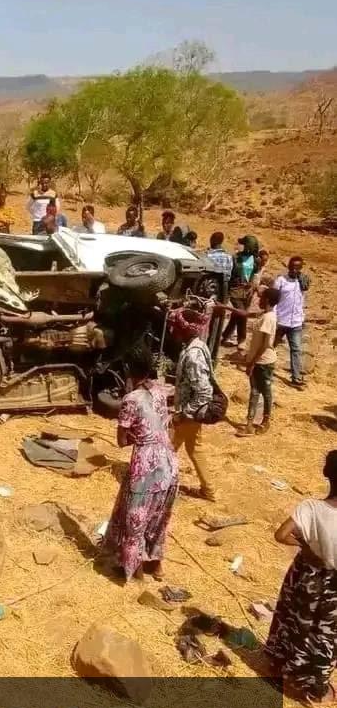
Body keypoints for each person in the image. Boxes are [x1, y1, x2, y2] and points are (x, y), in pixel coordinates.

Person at [265, 451, 337, 705]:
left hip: (305, 576)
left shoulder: (311, 508)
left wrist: (305, 546)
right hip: (333, 588)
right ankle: (315, 687)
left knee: (292, 618)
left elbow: (281, 534)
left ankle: (278, 663)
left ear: (326, 474)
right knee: (324, 634)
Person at [102, 346, 179, 581]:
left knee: (135, 518)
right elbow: (162, 425)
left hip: (145, 466)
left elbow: (121, 441)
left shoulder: (131, 400)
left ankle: (133, 570)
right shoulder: (160, 392)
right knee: (158, 516)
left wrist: (138, 437)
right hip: (169, 461)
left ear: (127, 368)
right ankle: (155, 564)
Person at [172, 307, 218, 502]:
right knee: (194, 448)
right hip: (192, 411)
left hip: (189, 413)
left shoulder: (193, 355)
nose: (173, 331)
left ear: (184, 330)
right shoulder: (199, 345)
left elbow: (204, 391)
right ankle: (209, 490)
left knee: (167, 448)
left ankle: (160, 485)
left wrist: (185, 413)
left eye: (175, 328)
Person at [238, 287, 281, 437]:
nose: (259, 300)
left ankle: (264, 421)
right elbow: (246, 314)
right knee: (256, 392)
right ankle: (250, 424)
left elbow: (264, 346)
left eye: (261, 298)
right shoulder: (265, 315)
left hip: (263, 363)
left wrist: (252, 363)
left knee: (264, 392)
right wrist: (225, 307)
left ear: (267, 300)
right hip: (259, 361)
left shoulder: (268, 318)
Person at [273, 256, 309, 389]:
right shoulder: (281, 280)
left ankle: (296, 378)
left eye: (297, 268)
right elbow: (273, 299)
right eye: (292, 267)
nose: (294, 270)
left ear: (300, 268)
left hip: (296, 322)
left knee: (296, 349)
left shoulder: (302, 282)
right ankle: (260, 366)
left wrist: (302, 317)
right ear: (288, 267)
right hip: (281, 320)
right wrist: (274, 316)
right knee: (271, 345)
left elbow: (302, 298)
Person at [221, 235, 260, 348]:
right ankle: (241, 339)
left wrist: (252, 284)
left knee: (237, 314)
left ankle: (225, 336)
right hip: (235, 289)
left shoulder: (256, 260)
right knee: (242, 314)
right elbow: (230, 274)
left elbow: (255, 274)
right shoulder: (235, 257)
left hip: (248, 292)